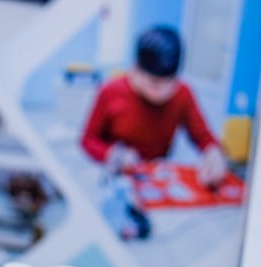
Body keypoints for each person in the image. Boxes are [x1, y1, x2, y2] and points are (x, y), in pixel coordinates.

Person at [80, 25, 227, 188]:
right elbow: (87, 140)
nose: (164, 92)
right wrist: (114, 154)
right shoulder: (110, 91)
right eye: (154, 84)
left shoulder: (183, 92)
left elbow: (203, 136)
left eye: (171, 82)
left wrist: (214, 153)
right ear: (135, 70)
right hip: (115, 175)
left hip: (155, 178)